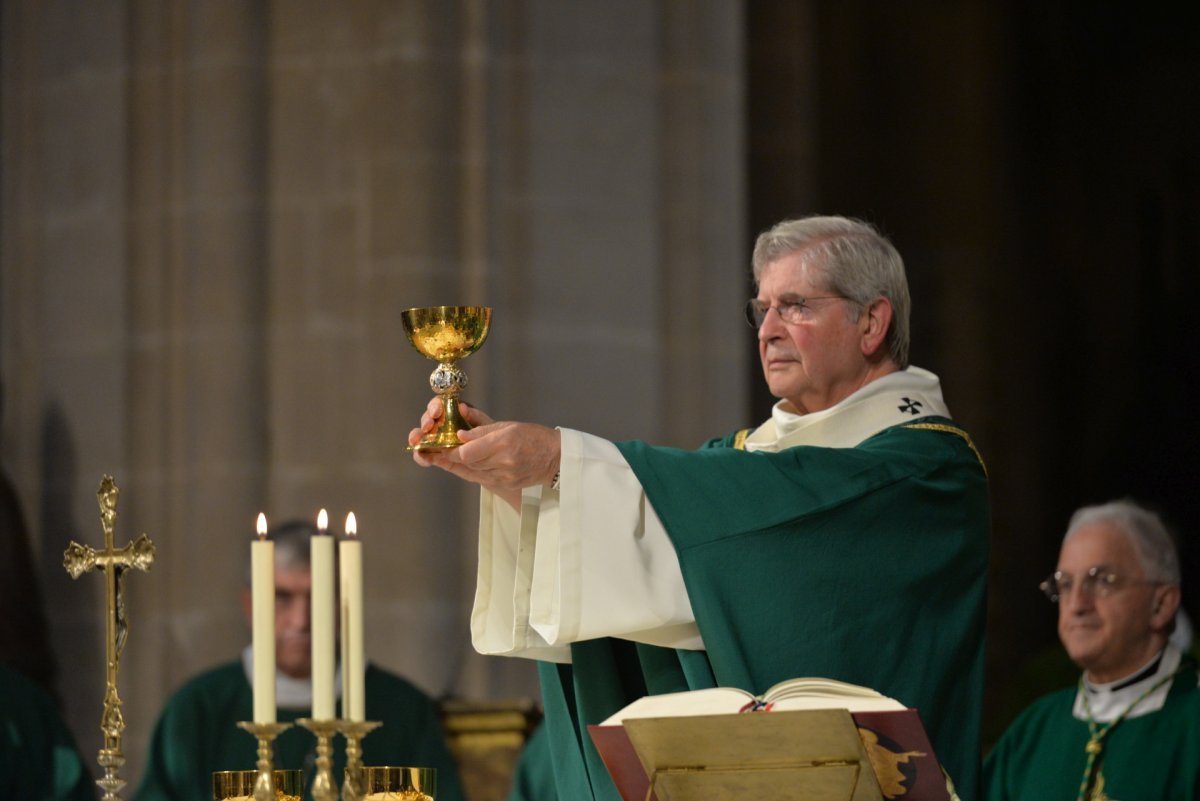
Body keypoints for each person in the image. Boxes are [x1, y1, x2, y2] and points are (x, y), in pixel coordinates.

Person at [411, 216, 991, 800]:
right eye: (760, 308)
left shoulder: (927, 473)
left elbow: (785, 521)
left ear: (871, 321)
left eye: (794, 306)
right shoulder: (743, 458)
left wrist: (558, 460)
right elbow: (657, 557)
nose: (767, 330)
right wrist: (527, 483)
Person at [134, 520, 464, 801]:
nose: (302, 620)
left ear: (344, 604)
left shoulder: (401, 709)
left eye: (319, 596)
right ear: (250, 605)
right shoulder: (198, 708)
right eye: (282, 598)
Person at [983, 500, 1199, 800]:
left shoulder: (1191, 719)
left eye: (1102, 581)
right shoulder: (1034, 729)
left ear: (1161, 605)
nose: (1077, 605)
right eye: (1066, 584)